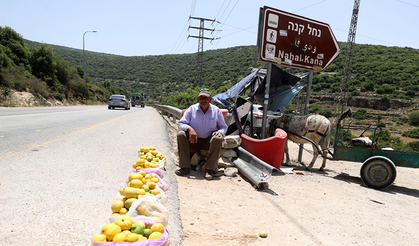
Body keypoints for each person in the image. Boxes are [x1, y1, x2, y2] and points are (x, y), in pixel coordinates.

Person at [176, 88, 228, 180]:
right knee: (181, 134)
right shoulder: (192, 109)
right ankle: (185, 167)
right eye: (201, 98)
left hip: (208, 141)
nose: (203, 100)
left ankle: (209, 170)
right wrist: (189, 129)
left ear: (210, 99)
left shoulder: (216, 111)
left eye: (206, 98)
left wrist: (220, 132)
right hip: (193, 140)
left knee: (217, 138)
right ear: (198, 99)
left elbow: (223, 127)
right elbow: (180, 123)